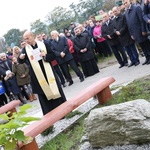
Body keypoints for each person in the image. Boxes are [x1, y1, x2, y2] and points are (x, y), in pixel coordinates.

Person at [19, 31, 66, 115]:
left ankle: (63, 110)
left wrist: (45, 56)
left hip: (48, 72)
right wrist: (21, 57)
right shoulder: (25, 49)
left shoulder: (44, 44)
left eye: (28, 38)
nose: (26, 40)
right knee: (43, 94)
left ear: (32, 36)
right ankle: (49, 115)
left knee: (55, 89)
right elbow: (20, 60)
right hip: (37, 76)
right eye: (25, 39)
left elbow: (53, 55)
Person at [123, 0, 150, 65]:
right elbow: (129, 25)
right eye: (124, 3)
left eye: (126, 2)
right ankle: (147, 58)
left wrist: (144, 30)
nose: (125, 4)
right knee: (142, 46)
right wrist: (131, 34)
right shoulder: (126, 13)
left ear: (129, 1)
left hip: (141, 31)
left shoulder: (136, 8)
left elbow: (142, 20)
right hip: (135, 33)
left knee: (146, 45)